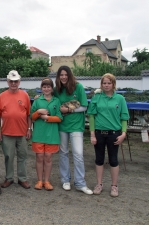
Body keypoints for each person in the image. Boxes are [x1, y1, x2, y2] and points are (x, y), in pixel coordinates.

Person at [87, 73, 129, 197]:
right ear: (101, 84)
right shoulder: (97, 98)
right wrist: (92, 134)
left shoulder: (120, 99)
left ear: (113, 84)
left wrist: (123, 134)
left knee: (113, 160)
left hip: (114, 134)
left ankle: (114, 186)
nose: (106, 85)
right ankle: (99, 184)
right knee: (99, 159)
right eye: (104, 83)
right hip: (99, 133)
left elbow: (124, 118)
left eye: (109, 83)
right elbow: (92, 116)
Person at [54, 65, 93, 195]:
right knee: (63, 153)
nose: (64, 77)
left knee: (78, 154)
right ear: (58, 77)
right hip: (62, 126)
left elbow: (84, 107)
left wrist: (70, 109)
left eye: (66, 74)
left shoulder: (78, 87)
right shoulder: (57, 90)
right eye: (61, 75)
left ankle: (80, 183)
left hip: (76, 125)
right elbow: (51, 101)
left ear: (70, 75)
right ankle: (65, 180)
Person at [0, 70, 32, 189]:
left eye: (15, 81)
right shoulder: (2, 96)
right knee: (8, 156)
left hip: (22, 132)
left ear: (19, 82)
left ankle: (22, 178)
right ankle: (9, 178)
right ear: (7, 82)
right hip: (7, 132)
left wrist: (29, 128)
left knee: (22, 156)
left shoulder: (25, 95)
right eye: (11, 81)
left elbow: (28, 114)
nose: (13, 83)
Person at [31, 78, 63, 191]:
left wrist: (47, 118)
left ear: (52, 88)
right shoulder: (37, 101)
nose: (46, 89)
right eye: (44, 87)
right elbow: (32, 117)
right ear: (41, 88)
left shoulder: (56, 101)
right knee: (39, 157)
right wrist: (39, 112)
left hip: (52, 134)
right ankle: (39, 180)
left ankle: (47, 181)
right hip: (39, 134)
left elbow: (60, 117)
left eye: (48, 86)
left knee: (48, 158)